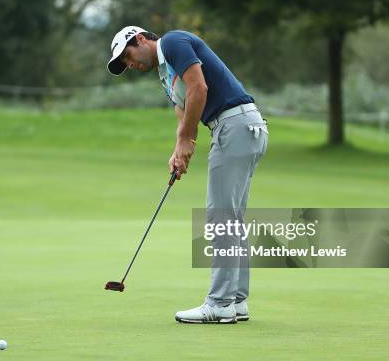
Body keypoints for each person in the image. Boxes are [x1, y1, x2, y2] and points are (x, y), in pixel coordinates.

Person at [107, 26, 268, 324]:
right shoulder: (165, 74)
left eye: (128, 56)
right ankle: (236, 301)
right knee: (231, 217)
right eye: (125, 64)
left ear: (141, 39)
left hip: (234, 126)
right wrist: (179, 150)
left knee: (221, 217)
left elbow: (199, 88)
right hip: (243, 127)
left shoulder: (172, 42)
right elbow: (183, 109)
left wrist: (188, 139)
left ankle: (220, 304)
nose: (130, 64)